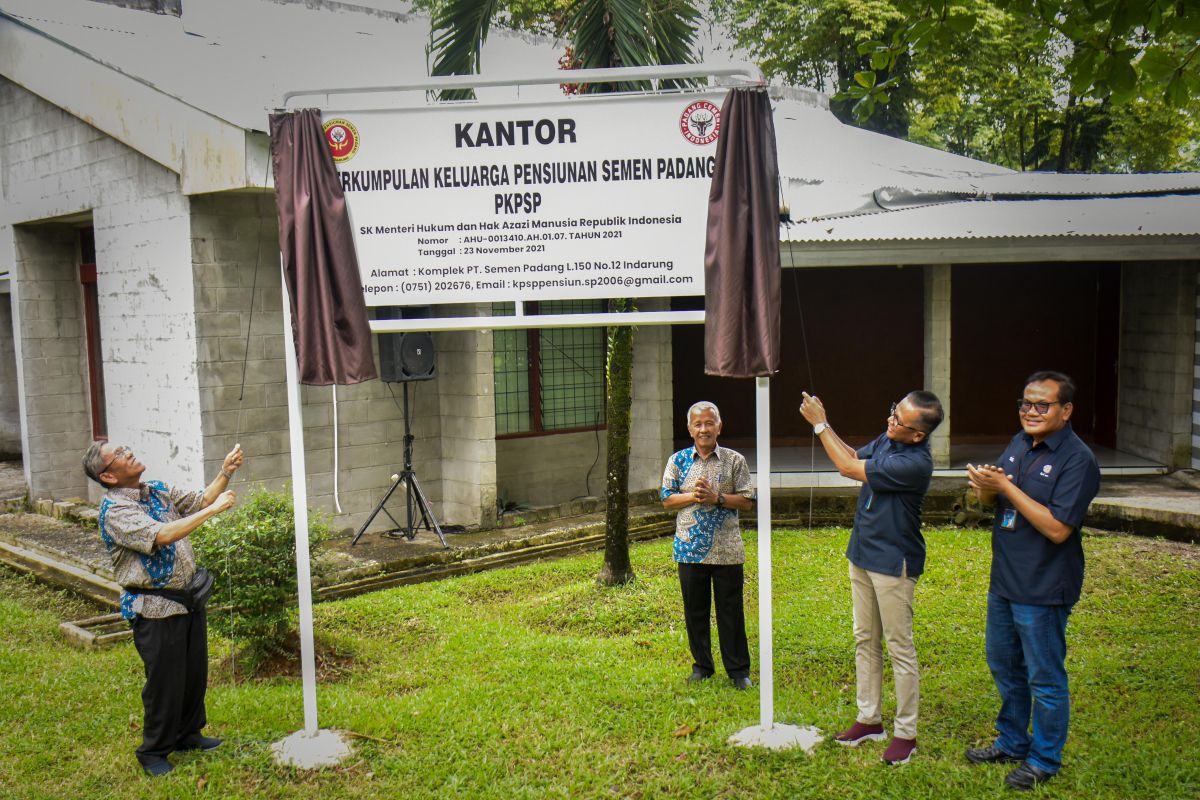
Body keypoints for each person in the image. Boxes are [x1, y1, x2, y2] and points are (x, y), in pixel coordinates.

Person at [964, 371, 1100, 791]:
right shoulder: (1020, 443)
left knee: (1044, 676)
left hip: (1043, 586)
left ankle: (1044, 758)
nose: (1031, 412)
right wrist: (986, 488)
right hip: (1005, 580)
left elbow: (1059, 528)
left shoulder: (1078, 460)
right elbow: (994, 503)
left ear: (1066, 410)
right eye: (1025, 403)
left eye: (1042, 405)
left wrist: (1005, 484)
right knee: (1004, 664)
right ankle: (1011, 740)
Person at [82, 440, 244, 777]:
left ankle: (188, 734)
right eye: (119, 455)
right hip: (154, 607)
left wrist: (225, 472)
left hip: (188, 600)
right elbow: (163, 534)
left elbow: (200, 499)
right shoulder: (116, 511)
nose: (128, 452)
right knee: (164, 683)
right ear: (108, 476)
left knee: (194, 674)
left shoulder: (155, 490)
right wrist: (212, 513)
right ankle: (153, 751)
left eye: (125, 448)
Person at [800, 389, 944, 766]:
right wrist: (826, 425)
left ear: (919, 435)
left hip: (893, 562)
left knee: (899, 646)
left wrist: (819, 425)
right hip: (862, 553)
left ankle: (906, 733)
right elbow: (851, 456)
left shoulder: (915, 463)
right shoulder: (890, 437)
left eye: (900, 421)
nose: (891, 421)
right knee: (865, 638)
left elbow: (847, 470)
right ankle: (869, 719)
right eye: (893, 412)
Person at [661, 401, 755, 689]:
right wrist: (694, 496)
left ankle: (738, 672)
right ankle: (702, 667)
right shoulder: (677, 461)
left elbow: (748, 501)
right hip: (689, 551)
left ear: (719, 426)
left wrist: (718, 498)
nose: (704, 429)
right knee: (695, 611)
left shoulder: (734, 460)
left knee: (731, 612)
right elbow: (666, 499)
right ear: (690, 429)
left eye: (709, 423)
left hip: (727, 550)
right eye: (698, 424)